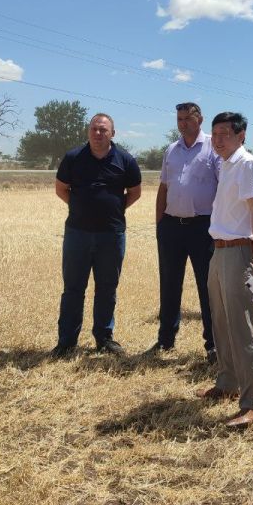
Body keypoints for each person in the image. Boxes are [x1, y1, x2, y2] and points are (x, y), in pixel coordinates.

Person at [195, 112, 253, 428]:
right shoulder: (226, 165)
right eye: (214, 133)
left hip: (240, 251)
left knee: (240, 326)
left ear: (242, 135)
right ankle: (227, 382)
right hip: (220, 250)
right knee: (221, 322)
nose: (218, 139)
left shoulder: (248, 165)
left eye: (225, 133)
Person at [52, 113, 141, 357]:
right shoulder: (73, 158)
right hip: (77, 234)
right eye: (94, 129)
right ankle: (66, 342)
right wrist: (81, 208)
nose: (98, 133)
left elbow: (135, 192)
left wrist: (114, 208)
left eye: (103, 130)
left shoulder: (125, 159)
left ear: (113, 133)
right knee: (72, 289)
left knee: (107, 288)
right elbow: (61, 188)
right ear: (88, 131)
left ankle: (104, 338)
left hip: (111, 236)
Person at [151, 102, 222, 362]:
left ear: (200, 119)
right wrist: (160, 224)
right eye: (179, 119)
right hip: (171, 226)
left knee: (208, 286)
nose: (182, 123)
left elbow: (223, 188)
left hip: (202, 228)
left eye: (187, 119)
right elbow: (163, 188)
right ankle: (165, 340)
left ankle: (212, 344)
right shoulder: (171, 149)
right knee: (169, 284)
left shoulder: (213, 148)